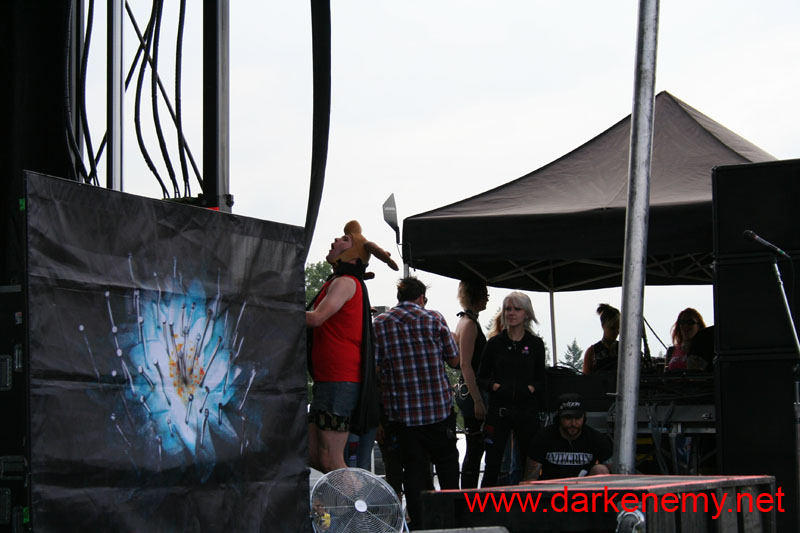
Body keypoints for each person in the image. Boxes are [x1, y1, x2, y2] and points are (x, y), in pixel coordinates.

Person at [306, 220, 397, 473]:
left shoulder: (345, 282)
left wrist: (275, 310)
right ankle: (349, 495)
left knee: (331, 460)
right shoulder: (341, 281)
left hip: (339, 378)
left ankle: (358, 498)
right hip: (330, 378)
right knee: (313, 455)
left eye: (345, 240)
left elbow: (316, 318)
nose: (336, 240)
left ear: (354, 256)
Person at [373, 277, 460, 527]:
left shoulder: (380, 323)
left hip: (402, 418)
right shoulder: (434, 318)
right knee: (448, 472)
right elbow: (454, 360)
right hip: (438, 413)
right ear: (421, 298)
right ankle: (452, 523)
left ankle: (420, 526)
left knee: (414, 476)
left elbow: (375, 371)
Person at [477, 291, 546, 487]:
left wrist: (530, 389)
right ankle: (485, 503)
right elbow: (481, 377)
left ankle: (528, 502)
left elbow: (541, 379)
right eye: (508, 309)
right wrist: (496, 387)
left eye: (517, 309)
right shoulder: (494, 344)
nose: (511, 313)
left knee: (528, 461)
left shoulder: (535, 344)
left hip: (526, 410)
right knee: (493, 463)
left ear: (527, 313)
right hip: (500, 410)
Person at [525, 393, 613, 481]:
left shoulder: (596, 438)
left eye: (578, 418)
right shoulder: (543, 437)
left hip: (583, 487)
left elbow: (613, 472)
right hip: (551, 486)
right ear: (559, 417)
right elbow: (530, 478)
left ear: (584, 416)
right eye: (568, 418)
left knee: (601, 469)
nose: (573, 423)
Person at [453, 279, 489, 488]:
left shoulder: (467, 321)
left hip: (470, 389)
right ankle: (467, 495)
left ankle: (468, 493)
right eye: (485, 294)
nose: (487, 299)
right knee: (475, 447)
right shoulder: (468, 324)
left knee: (476, 447)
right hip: (472, 391)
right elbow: (465, 364)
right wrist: (478, 400)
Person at [582, 303, 620, 375]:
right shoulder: (592, 352)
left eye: (619, 328)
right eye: (612, 328)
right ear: (603, 326)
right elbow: (585, 379)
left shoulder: (625, 349)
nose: (617, 332)